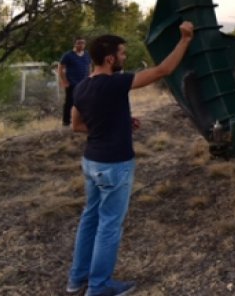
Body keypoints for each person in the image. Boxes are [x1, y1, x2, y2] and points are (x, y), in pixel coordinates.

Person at [66, 22, 194, 296]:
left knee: (90, 218)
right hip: (114, 165)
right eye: (122, 53)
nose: (125, 58)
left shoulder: (81, 87)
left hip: (91, 162)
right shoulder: (116, 83)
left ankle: (76, 279)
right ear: (110, 59)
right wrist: (184, 39)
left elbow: (77, 126)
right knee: (109, 226)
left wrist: (119, 123)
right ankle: (99, 287)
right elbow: (163, 70)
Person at [59, 38, 92, 127]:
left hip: (84, 83)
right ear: (75, 44)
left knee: (84, 102)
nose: (81, 45)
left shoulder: (87, 55)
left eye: (83, 43)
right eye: (79, 43)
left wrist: (90, 78)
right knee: (69, 102)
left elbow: (89, 66)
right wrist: (64, 81)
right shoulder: (68, 55)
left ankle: (82, 120)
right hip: (72, 83)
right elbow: (61, 68)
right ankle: (66, 121)